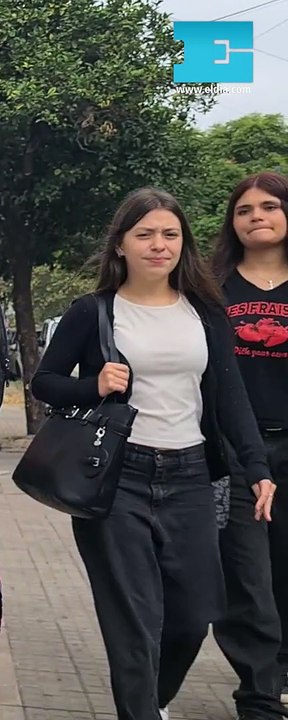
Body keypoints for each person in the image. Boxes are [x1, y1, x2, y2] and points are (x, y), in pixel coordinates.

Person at [32, 187, 274, 720]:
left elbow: (231, 396)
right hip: (117, 477)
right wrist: (92, 384)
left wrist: (255, 468)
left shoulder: (206, 311)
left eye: (169, 234)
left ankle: (150, 703)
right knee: (135, 619)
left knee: (193, 614)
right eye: (144, 235)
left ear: (183, 243)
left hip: (190, 475)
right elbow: (44, 382)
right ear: (121, 245)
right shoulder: (93, 311)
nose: (158, 245)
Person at [209, 171, 288, 718]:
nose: (257, 216)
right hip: (234, 449)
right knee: (246, 575)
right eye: (244, 209)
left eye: (269, 206)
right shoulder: (212, 290)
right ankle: (260, 690)